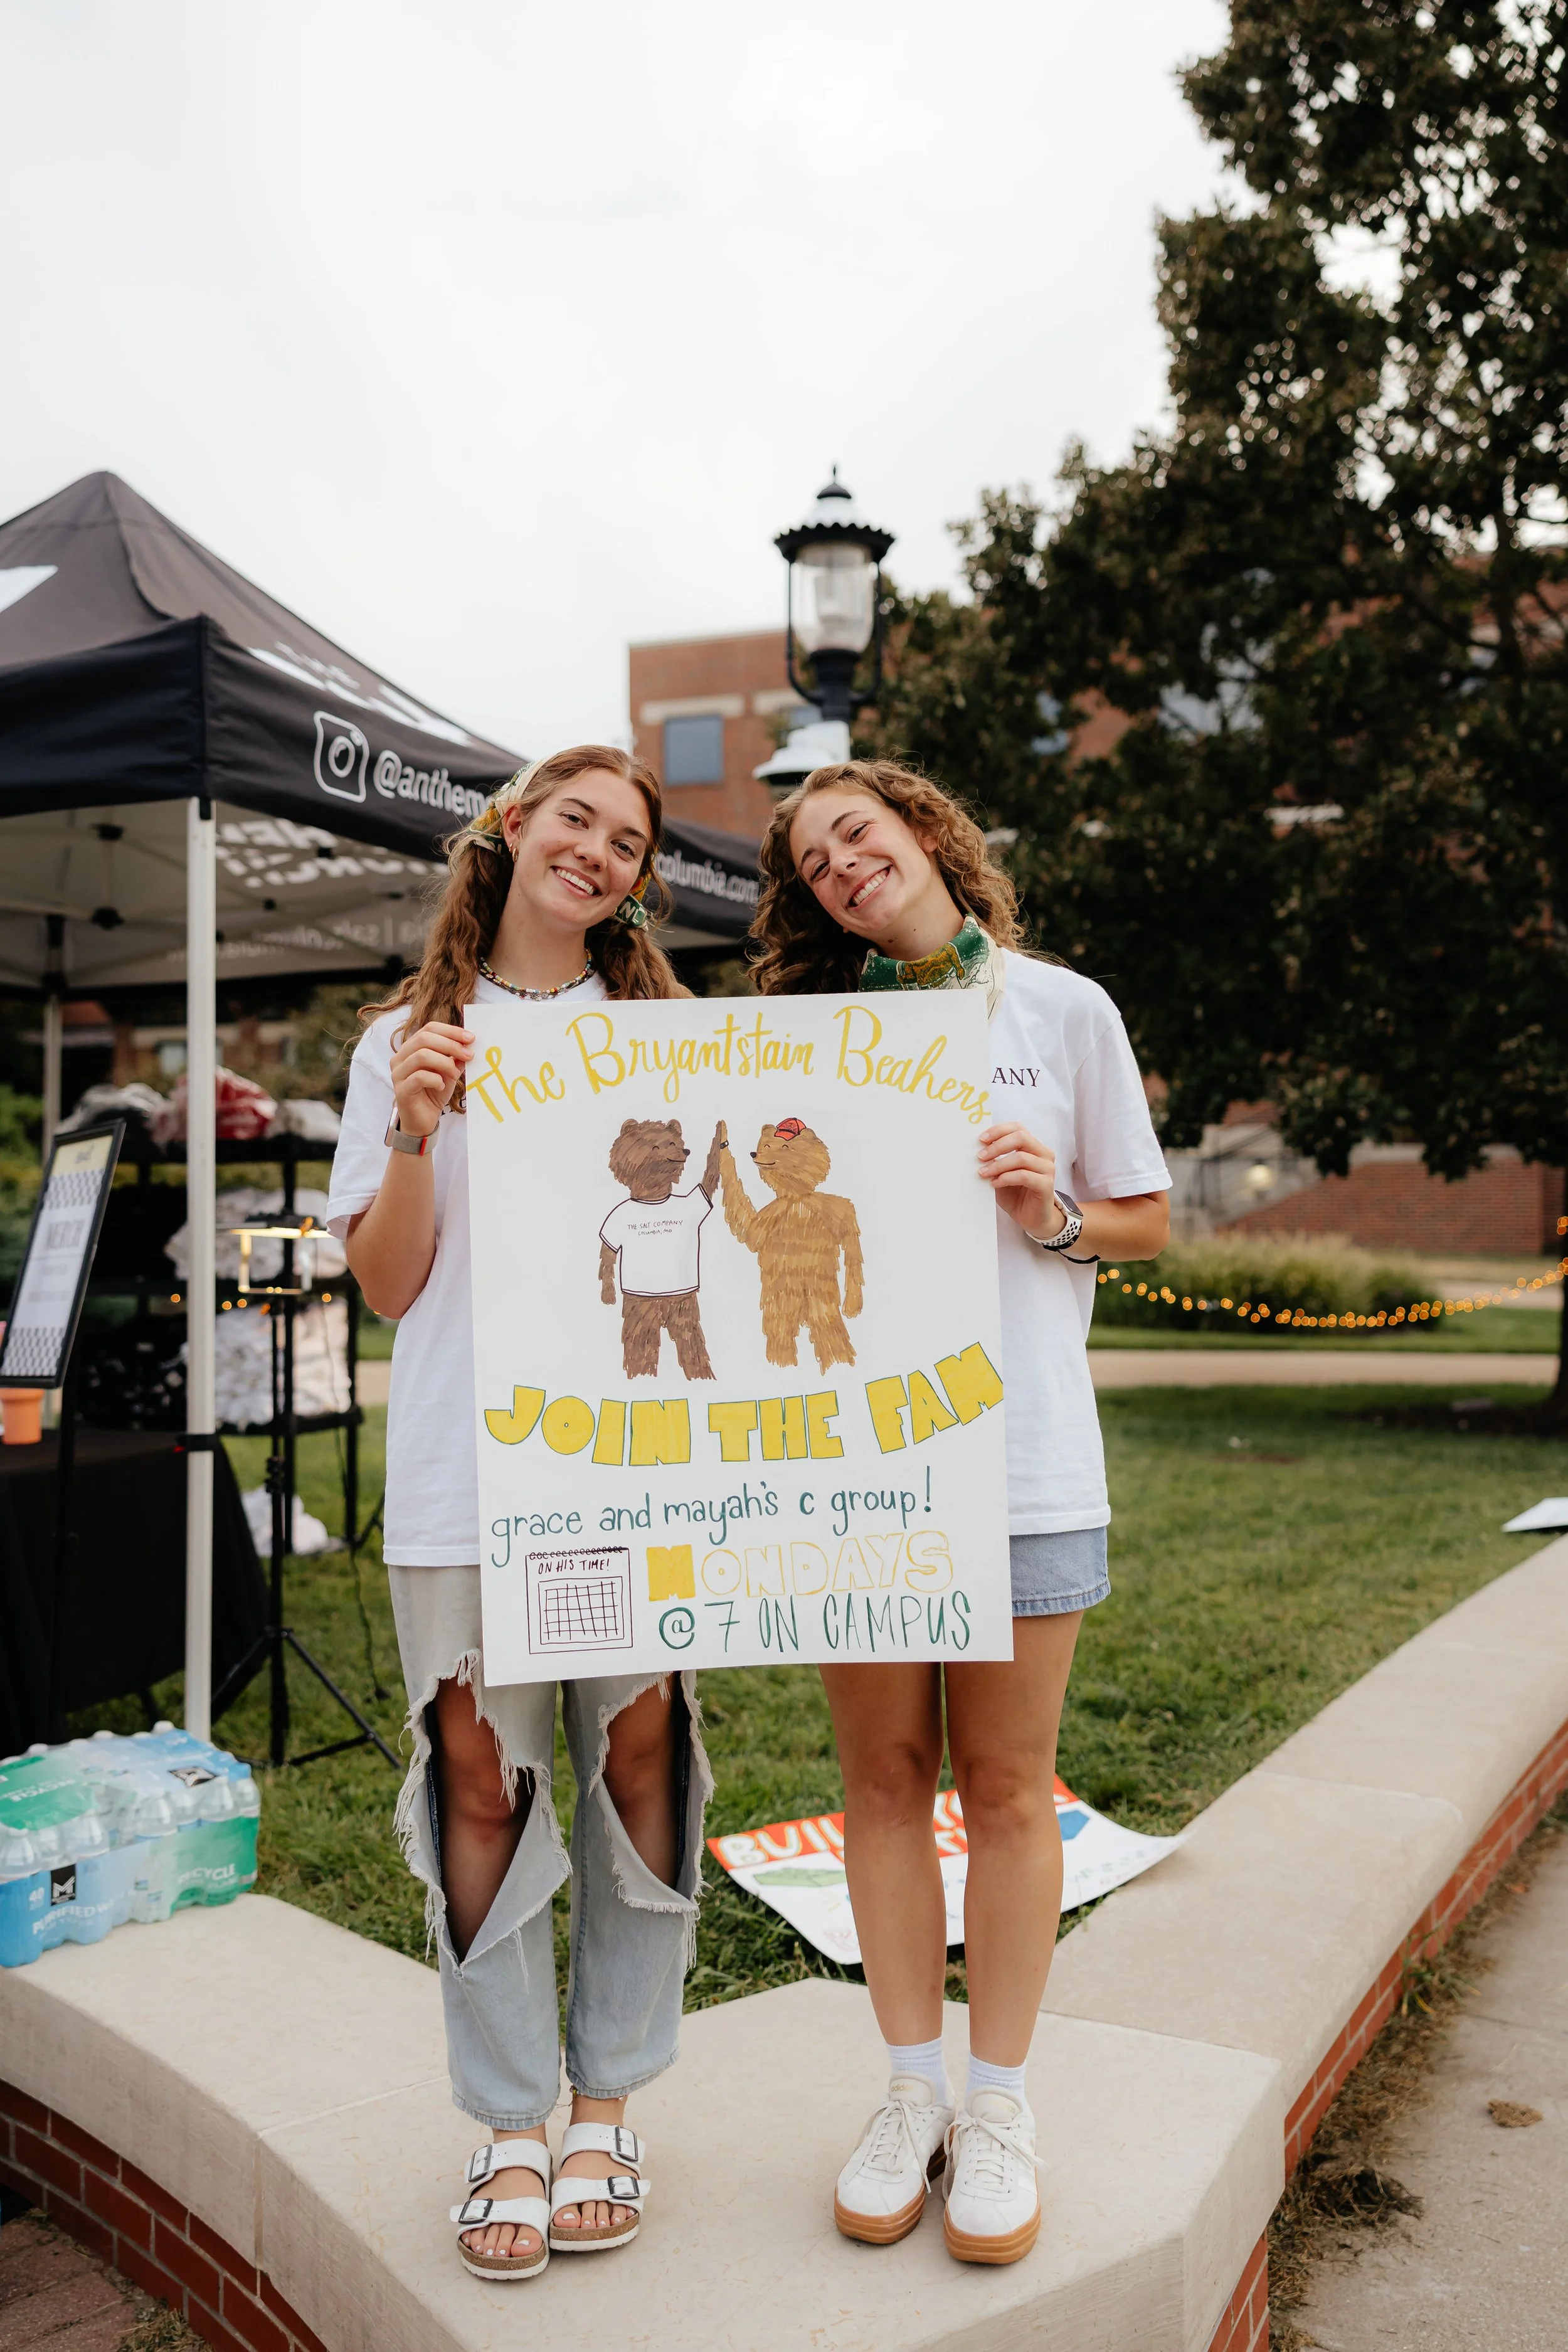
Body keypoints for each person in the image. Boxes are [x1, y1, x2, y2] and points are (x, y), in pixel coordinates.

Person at [748, 758, 1170, 2267]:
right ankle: (907, 2092)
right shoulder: (812, 1043)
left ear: (923, 834)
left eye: (855, 834)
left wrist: (1044, 1208)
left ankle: (997, 2108)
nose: (842, 867)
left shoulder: (1064, 1011)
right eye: (812, 863)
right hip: (856, 1467)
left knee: (1006, 1788)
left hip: (1024, 1459)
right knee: (877, 1778)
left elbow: (1139, 1214)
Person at [326, 746, 711, 2285]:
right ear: (510, 830)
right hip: (460, 1474)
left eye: (627, 840)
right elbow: (389, 1285)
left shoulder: (668, 1037)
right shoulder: (399, 1044)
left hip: (632, 1473)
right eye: (577, 819)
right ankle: (505, 2121)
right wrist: (417, 1126)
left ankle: (606, 2098)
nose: (600, 852)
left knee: (640, 1752)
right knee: (479, 1779)